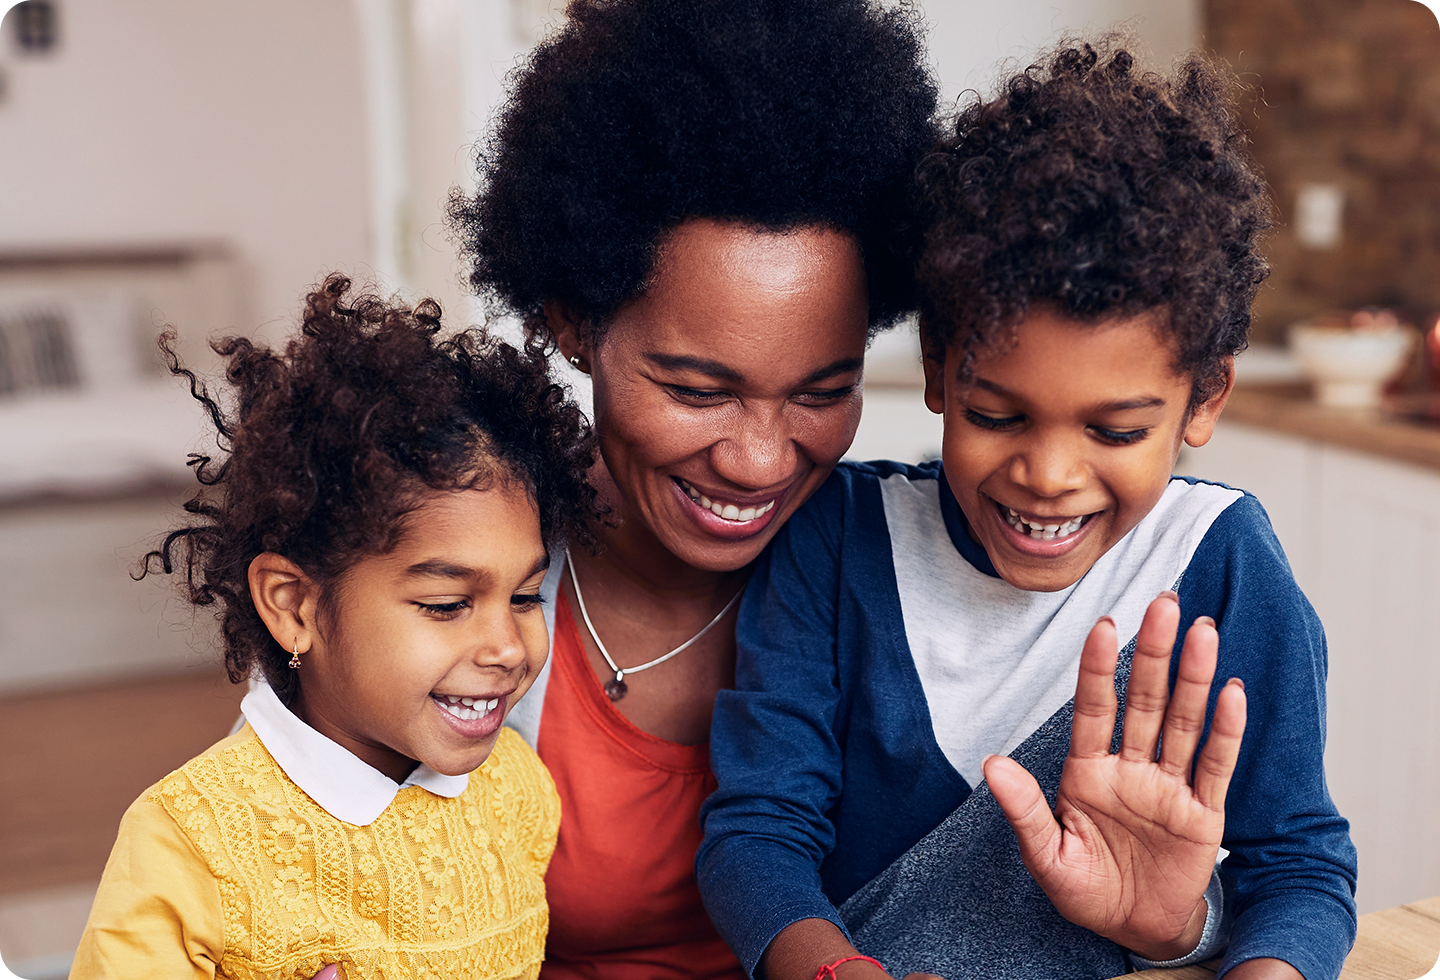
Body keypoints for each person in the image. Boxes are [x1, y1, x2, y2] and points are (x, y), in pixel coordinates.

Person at [697, 39, 1358, 980]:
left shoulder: (1222, 560)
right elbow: (755, 835)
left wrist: (1197, 936)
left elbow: (1299, 869)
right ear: (935, 369)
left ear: (1204, 400)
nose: (1048, 473)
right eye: (996, 414)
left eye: (1117, 431)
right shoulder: (836, 537)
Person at [447, 1, 939, 976]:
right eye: (697, 389)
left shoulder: (917, 568)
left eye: (822, 390)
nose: (759, 460)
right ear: (574, 322)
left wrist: (1187, 922)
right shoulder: (461, 571)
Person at [70, 276, 598, 979]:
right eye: (446, 605)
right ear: (294, 607)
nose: (507, 647)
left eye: (527, 596)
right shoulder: (188, 843)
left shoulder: (518, 791)